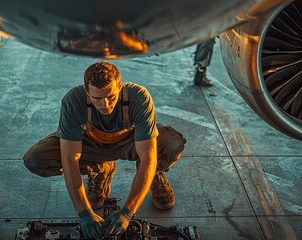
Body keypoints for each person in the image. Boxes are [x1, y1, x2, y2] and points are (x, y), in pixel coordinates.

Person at [23, 62, 186, 238]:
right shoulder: (73, 100)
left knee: (171, 144)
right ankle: (100, 169)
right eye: (97, 99)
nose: (105, 104)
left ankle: (153, 175)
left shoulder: (139, 97)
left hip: (129, 144)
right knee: (35, 159)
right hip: (91, 146)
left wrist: (127, 212)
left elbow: (148, 157)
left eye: (111, 96)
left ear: (120, 87)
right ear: (87, 92)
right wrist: (84, 213)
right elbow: (69, 158)